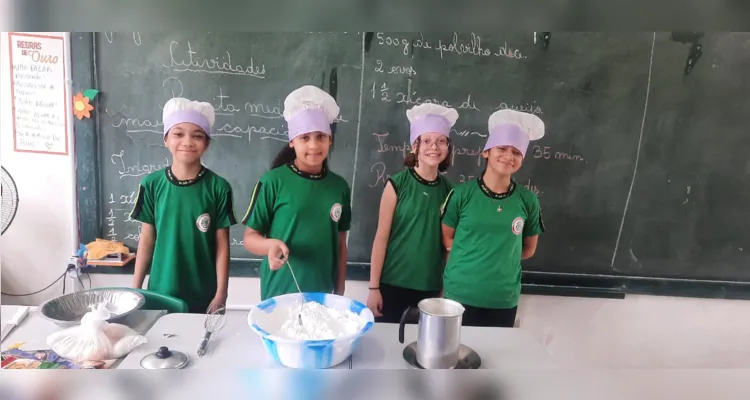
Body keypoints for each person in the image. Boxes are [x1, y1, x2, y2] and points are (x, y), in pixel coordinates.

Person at [241, 85, 352, 301]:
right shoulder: (273, 181)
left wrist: (339, 292)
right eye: (304, 137)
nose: (313, 145)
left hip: (323, 294)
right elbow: (250, 238)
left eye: (321, 136)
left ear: (330, 140)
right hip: (280, 291)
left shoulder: (339, 186)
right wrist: (270, 245)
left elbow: (340, 243)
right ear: (292, 141)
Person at [440, 109, 545, 328]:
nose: (508, 156)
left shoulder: (528, 200)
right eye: (502, 148)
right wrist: (476, 258)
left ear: (522, 160)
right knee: (453, 357)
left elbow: (529, 248)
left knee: (495, 359)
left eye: (516, 152)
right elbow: (447, 239)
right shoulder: (462, 194)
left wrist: (501, 261)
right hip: (460, 293)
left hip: (502, 298)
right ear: (486, 151)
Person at [130, 97, 237, 313]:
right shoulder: (152, 184)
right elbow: (147, 240)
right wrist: (135, 289)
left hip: (203, 296)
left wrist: (221, 294)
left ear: (206, 144)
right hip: (160, 292)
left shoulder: (218, 187)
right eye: (178, 134)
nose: (187, 142)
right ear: (165, 139)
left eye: (197, 136)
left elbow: (222, 246)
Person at [367, 104, 458, 322]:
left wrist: (445, 291)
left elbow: (448, 247)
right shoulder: (397, 184)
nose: (433, 147)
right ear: (414, 146)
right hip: (392, 284)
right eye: (426, 140)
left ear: (447, 147)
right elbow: (381, 238)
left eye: (441, 141)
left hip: (430, 289)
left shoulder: (450, 192)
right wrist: (373, 288)